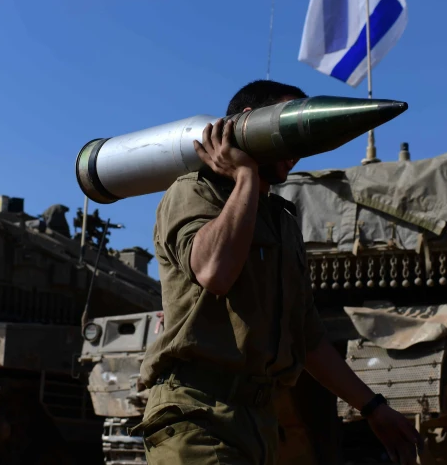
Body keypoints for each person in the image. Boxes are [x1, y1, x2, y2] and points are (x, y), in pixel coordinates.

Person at [134, 80, 421, 464]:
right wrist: (247, 176)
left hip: (259, 423)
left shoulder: (280, 220)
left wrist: (373, 408)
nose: (298, 153)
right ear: (252, 124)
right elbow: (214, 272)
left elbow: (307, 338)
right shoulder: (194, 192)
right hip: (196, 415)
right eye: (288, 132)